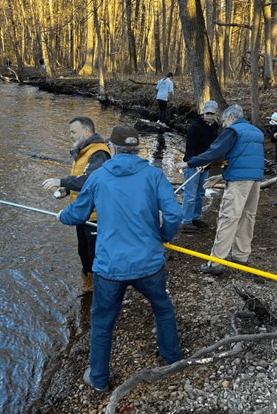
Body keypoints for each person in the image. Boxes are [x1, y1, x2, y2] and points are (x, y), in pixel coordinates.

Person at [57, 126, 183, 392]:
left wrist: (61, 216)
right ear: (137, 149)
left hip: (110, 267)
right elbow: (174, 215)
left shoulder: (99, 177)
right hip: (149, 263)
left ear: (112, 149)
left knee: (103, 321)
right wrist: (162, 237)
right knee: (162, 308)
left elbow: (78, 214)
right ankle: (172, 359)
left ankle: (99, 379)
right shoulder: (153, 174)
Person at [177, 105, 264, 275]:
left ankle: (216, 262)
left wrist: (189, 163)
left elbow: (214, 152)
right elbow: (243, 159)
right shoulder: (256, 132)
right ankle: (240, 255)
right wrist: (221, 177)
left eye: (224, 120)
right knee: (248, 216)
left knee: (228, 217)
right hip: (256, 179)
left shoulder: (233, 131)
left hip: (239, 182)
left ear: (231, 116)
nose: (223, 124)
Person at [42, 117, 111, 294]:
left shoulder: (99, 153)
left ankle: (101, 289)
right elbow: (81, 179)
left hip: (96, 216)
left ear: (86, 132)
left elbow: (90, 179)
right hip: (82, 213)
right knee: (83, 252)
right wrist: (66, 189)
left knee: (94, 254)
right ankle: (88, 286)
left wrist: (61, 181)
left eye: (73, 131)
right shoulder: (82, 151)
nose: (70, 135)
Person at [179, 100, 221, 234]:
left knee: (201, 193)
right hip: (193, 164)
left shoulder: (215, 127)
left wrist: (209, 162)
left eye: (211, 114)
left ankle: (195, 217)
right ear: (203, 113)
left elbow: (213, 147)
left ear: (215, 115)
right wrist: (194, 162)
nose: (209, 116)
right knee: (190, 194)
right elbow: (190, 147)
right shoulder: (195, 126)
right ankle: (186, 221)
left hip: (206, 165)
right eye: (207, 113)